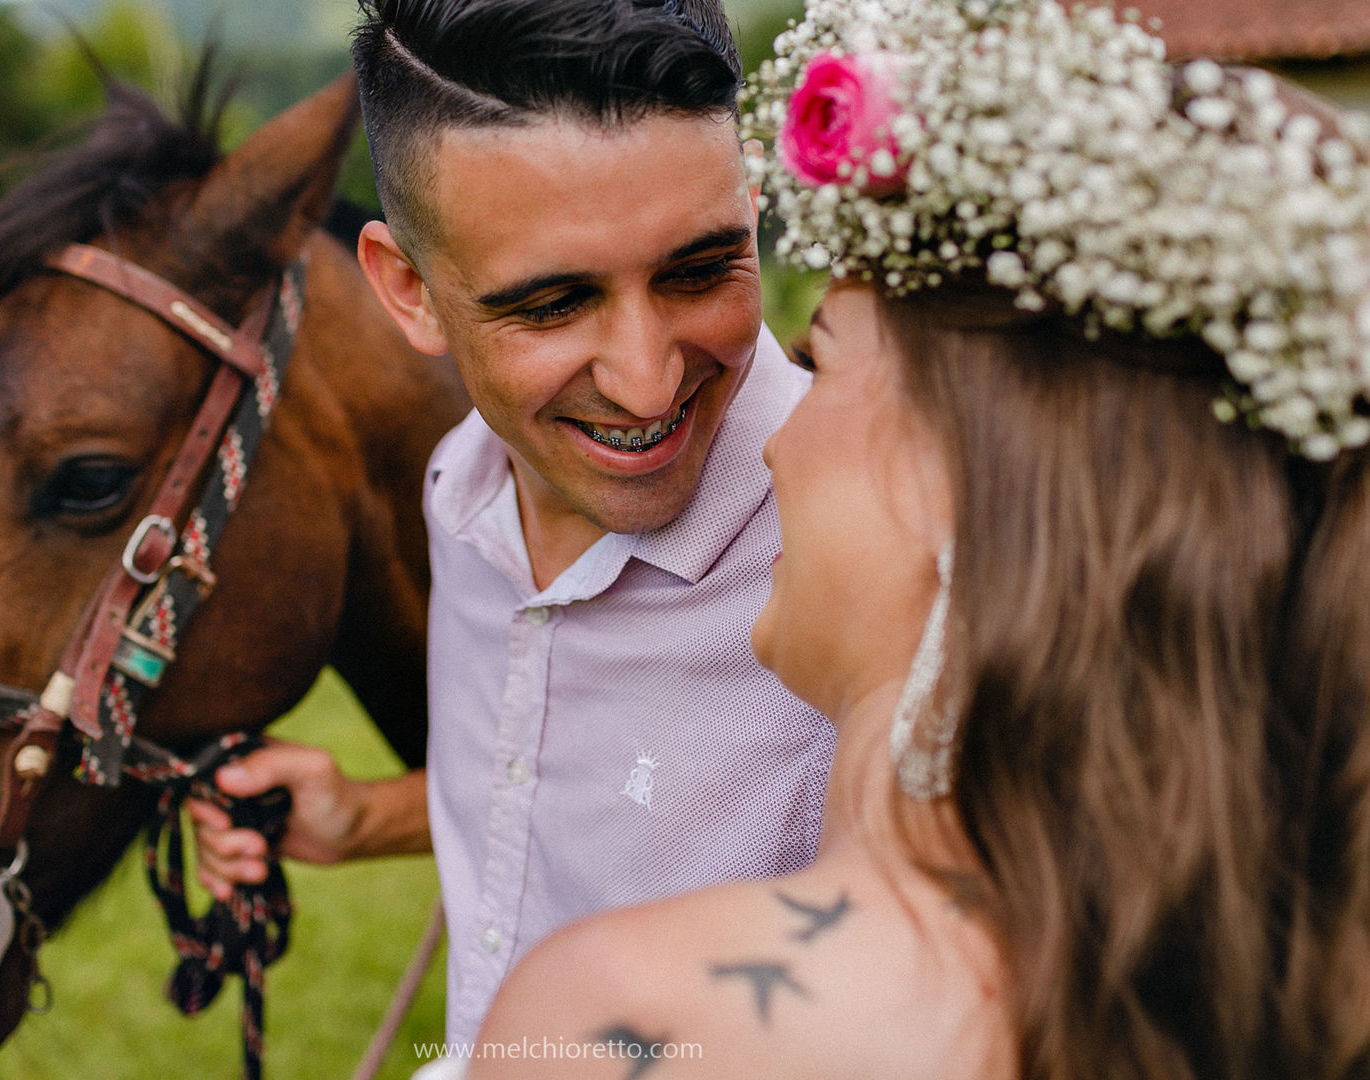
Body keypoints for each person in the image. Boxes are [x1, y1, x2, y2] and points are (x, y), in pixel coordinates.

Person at [458, 1, 1370, 1077]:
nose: (773, 448)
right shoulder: (1283, 972)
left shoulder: (632, 1020)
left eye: (827, 363)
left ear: (966, 480)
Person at [188, 0, 837, 1050]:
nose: (645, 382)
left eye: (700, 267)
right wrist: (370, 818)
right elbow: (597, 782)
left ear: (752, 199)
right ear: (409, 292)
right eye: (551, 304)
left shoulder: (877, 558)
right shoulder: (460, 488)